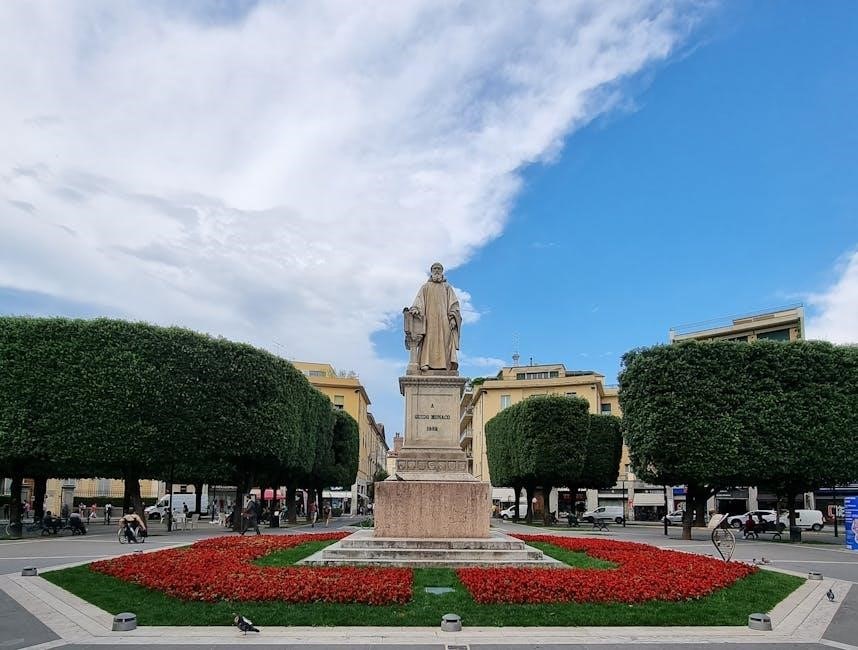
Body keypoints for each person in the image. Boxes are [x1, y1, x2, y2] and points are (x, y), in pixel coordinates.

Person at [405, 262, 462, 373]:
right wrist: (416, 308)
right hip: (429, 320)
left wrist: (453, 318)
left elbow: (454, 305)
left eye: (439, 268)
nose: (437, 270)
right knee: (428, 339)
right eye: (435, 268)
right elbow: (419, 300)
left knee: (445, 341)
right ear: (431, 271)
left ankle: (445, 364)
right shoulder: (425, 287)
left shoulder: (447, 287)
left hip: (444, 321)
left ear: (442, 271)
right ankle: (425, 363)